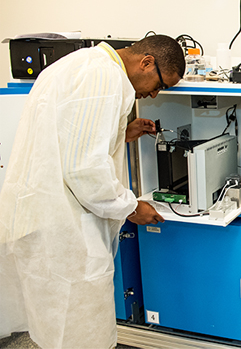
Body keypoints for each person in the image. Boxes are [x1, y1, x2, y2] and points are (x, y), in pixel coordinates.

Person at [0, 34, 185, 348]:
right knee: (82, 330)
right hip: (63, 224)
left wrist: (122, 132)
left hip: (41, 212)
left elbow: (68, 140)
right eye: (160, 85)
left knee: (52, 325)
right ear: (146, 62)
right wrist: (131, 207)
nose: (154, 95)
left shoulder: (81, 64)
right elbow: (84, 170)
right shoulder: (104, 80)